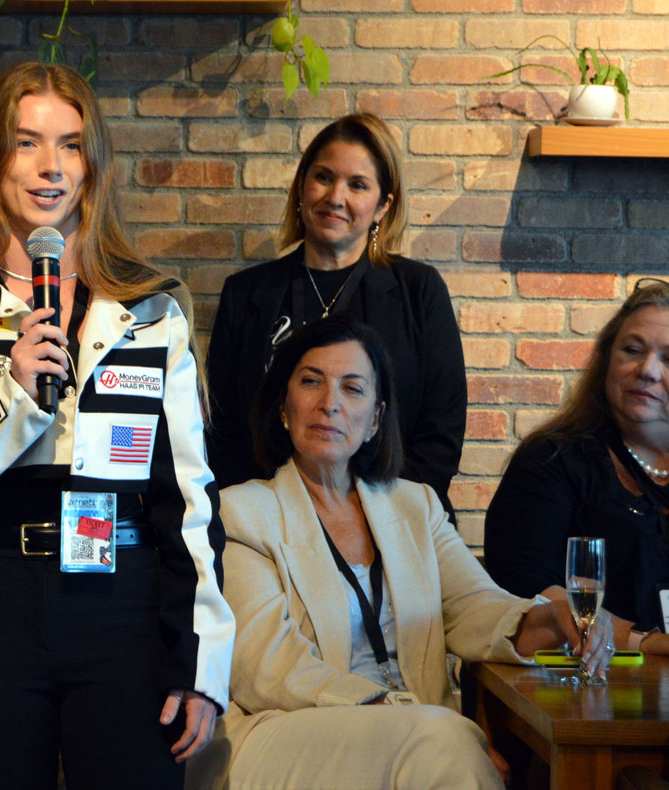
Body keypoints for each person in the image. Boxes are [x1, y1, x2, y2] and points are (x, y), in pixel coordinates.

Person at [0, 61, 233, 789]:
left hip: (123, 609)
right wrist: (9, 395)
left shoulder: (153, 309)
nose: (49, 167)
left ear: (93, 165)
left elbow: (191, 503)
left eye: (69, 145)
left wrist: (201, 663)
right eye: (26, 142)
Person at [188, 317, 609, 790]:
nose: (330, 404)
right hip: (284, 735)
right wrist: (399, 711)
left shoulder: (417, 506)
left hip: (422, 733)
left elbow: (475, 605)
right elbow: (268, 668)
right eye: (311, 382)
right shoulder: (241, 512)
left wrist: (548, 619)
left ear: (375, 419)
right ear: (284, 408)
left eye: (352, 388)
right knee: (443, 743)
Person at [206, 113, 465, 518]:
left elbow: (441, 433)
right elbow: (222, 428)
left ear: (383, 206)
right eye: (324, 177)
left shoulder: (420, 291)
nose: (335, 197)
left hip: (394, 519)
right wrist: (264, 512)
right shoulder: (247, 293)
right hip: (272, 522)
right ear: (302, 186)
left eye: (357, 184)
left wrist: (369, 516)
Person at [485, 278, 669, 654]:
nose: (648, 370)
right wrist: (648, 644)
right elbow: (527, 589)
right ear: (606, 361)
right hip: (587, 684)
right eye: (632, 350)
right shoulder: (552, 459)